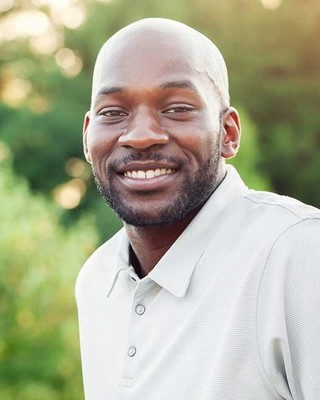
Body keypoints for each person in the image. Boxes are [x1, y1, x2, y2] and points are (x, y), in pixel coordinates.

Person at [76, 18, 320, 400]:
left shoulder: (300, 256)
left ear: (228, 134)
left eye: (176, 108)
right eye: (113, 112)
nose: (140, 136)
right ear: (88, 137)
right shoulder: (96, 281)